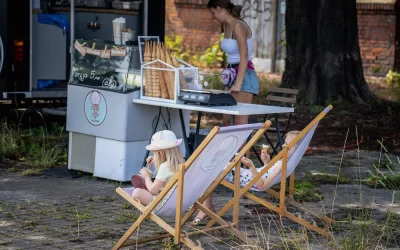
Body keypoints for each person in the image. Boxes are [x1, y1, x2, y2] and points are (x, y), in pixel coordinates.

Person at [192, 0, 260, 225]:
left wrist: (238, 83)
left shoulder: (239, 25)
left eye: (213, 12)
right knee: (225, 125)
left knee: (240, 127)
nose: (212, 17)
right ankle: (225, 168)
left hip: (243, 78)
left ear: (221, 9)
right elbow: (230, 59)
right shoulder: (226, 27)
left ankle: (242, 172)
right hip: (231, 77)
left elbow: (243, 57)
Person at [226, 131, 300, 190]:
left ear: (295, 148)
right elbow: (267, 174)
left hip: (242, 178)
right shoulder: (286, 161)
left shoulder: (282, 165)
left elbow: (261, 186)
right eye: (284, 142)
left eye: (286, 143)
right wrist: (266, 161)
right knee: (220, 165)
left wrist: (251, 166)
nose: (283, 145)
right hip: (244, 175)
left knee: (217, 167)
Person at [131, 130, 184, 208]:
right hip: (180, 202)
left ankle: (144, 183)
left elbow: (153, 190)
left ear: (160, 153)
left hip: (165, 204)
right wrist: (155, 159)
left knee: (137, 193)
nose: (154, 155)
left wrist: (146, 177)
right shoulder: (181, 163)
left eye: (154, 153)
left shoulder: (165, 167)